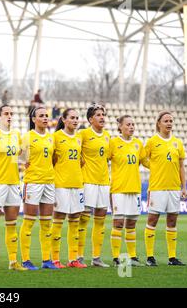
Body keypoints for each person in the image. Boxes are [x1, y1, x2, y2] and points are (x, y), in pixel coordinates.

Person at [0, 105, 27, 271]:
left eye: (11, 114)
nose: (9, 116)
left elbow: (21, 155)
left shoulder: (16, 135)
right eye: (6, 114)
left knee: (12, 223)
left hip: (14, 183)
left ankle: (13, 261)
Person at [144, 111, 187, 266]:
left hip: (174, 188)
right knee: (152, 220)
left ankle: (172, 257)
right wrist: (153, 167)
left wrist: (183, 187)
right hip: (157, 187)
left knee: (172, 220)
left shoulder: (177, 143)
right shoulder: (152, 141)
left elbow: (181, 166)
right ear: (159, 123)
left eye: (171, 121)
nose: (169, 123)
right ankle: (150, 257)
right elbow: (143, 158)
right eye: (166, 121)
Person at [19, 106, 57, 270]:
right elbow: (18, 157)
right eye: (41, 116)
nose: (45, 118)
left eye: (46, 116)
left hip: (49, 182)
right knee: (29, 221)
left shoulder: (51, 138)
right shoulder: (27, 137)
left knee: (46, 223)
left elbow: (54, 158)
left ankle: (46, 260)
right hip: (33, 182)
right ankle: (26, 260)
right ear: (34, 119)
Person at [109, 115, 148, 267]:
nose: (131, 127)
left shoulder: (138, 144)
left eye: (133, 124)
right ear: (120, 126)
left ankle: (132, 256)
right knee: (118, 223)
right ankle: (116, 257)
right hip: (118, 189)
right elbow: (103, 159)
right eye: (128, 124)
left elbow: (145, 162)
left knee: (131, 224)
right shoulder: (113, 143)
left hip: (135, 189)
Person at [51, 108, 87, 269]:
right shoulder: (57, 137)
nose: (75, 120)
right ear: (64, 120)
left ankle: (73, 259)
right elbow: (51, 160)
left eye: (77, 118)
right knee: (58, 219)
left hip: (77, 183)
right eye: (72, 118)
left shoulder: (79, 137)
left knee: (75, 220)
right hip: (61, 184)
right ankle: (55, 259)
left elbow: (81, 160)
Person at [77, 103, 111, 267]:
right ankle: (78, 256)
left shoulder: (108, 136)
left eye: (103, 114)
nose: (102, 117)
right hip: (88, 181)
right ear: (90, 119)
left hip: (104, 182)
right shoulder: (83, 134)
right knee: (83, 219)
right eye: (98, 115)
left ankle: (96, 258)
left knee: (100, 220)